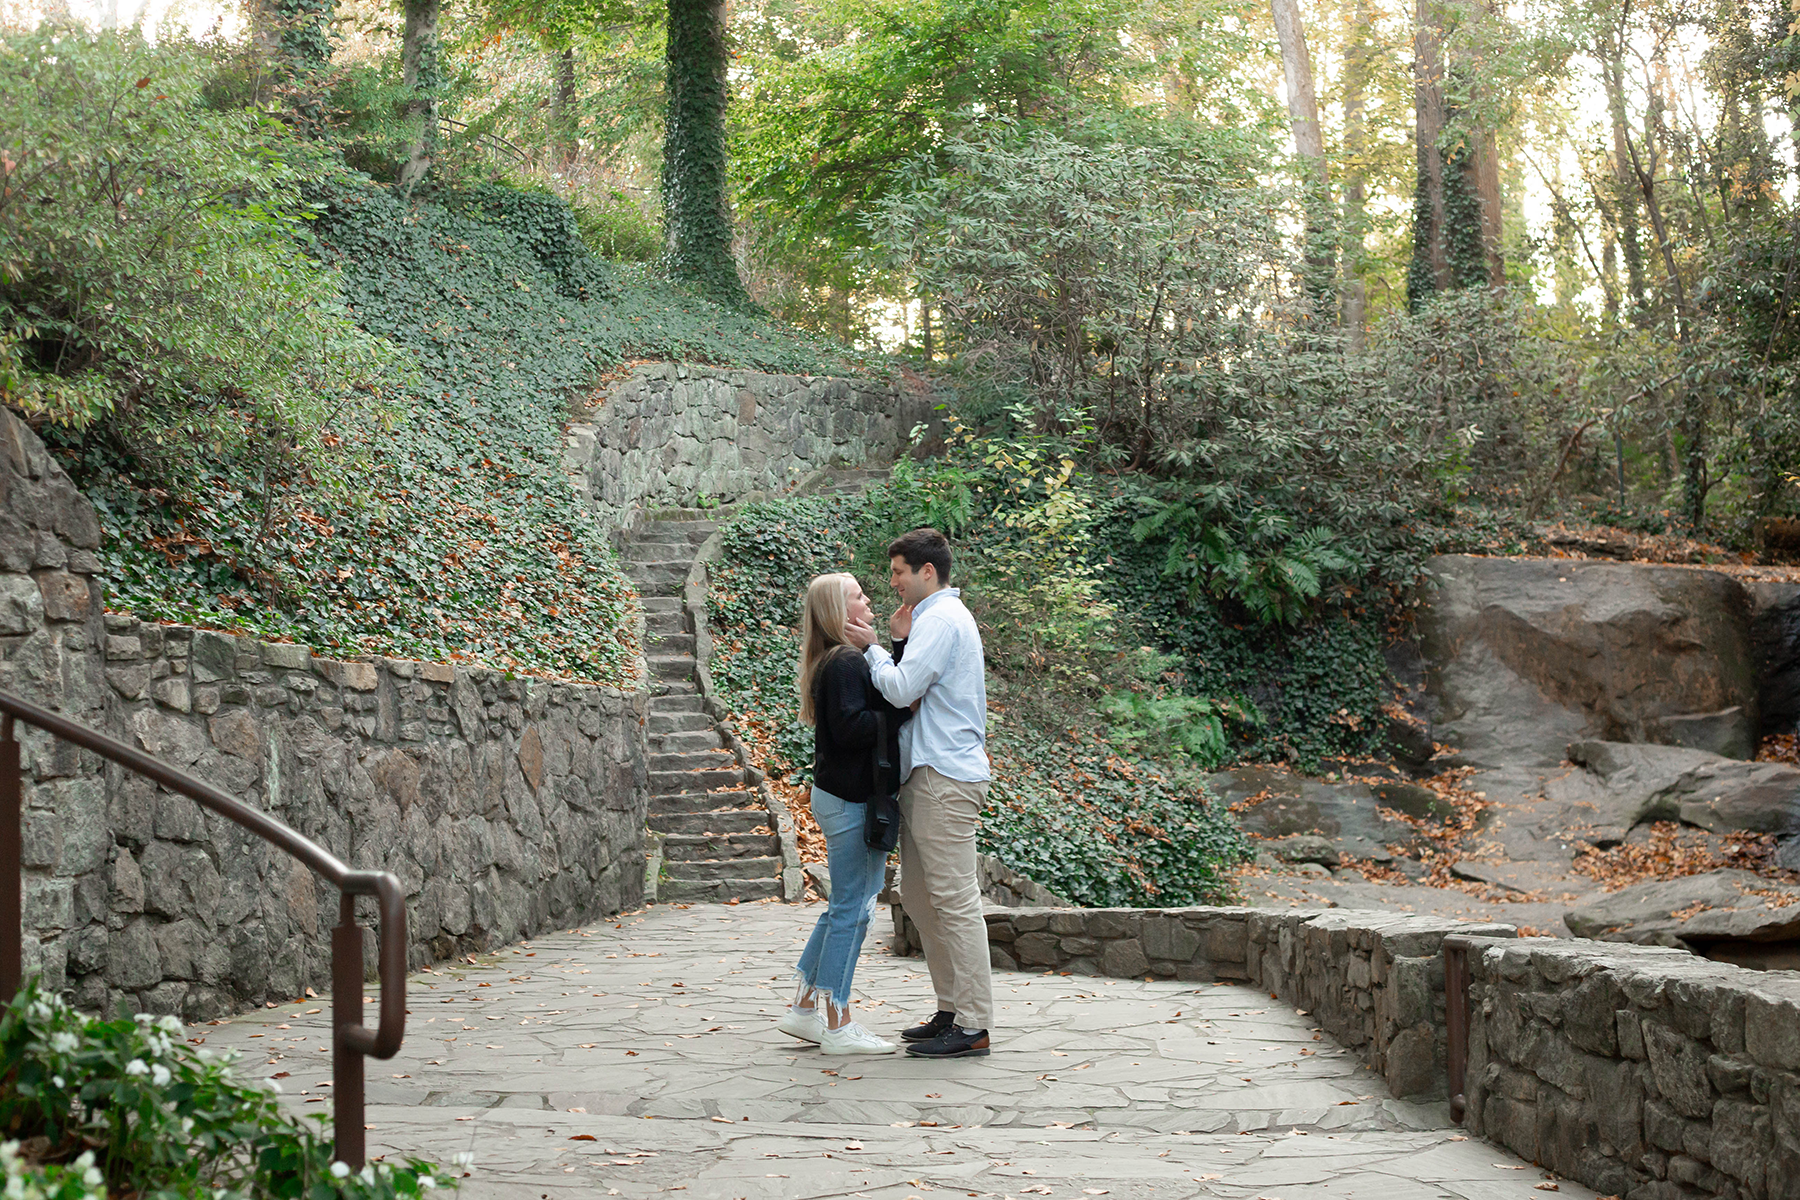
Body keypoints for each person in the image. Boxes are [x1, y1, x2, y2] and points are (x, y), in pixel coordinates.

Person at [845, 527, 993, 1059]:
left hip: (944, 777)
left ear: (927, 572)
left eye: (898, 572)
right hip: (928, 775)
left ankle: (973, 1025)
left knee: (954, 901)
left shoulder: (944, 618)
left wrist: (874, 650)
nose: (893, 583)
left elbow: (904, 689)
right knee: (919, 899)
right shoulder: (936, 621)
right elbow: (917, 691)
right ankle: (952, 1009)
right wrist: (899, 643)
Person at [777, 572, 913, 1055]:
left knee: (844, 906)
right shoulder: (844, 661)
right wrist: (905, 708)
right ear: (840, 610)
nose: (868, 598)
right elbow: (854, 726)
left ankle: (804, 1009)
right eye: (858, 595)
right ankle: (838, 1022)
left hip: (841, 797)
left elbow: (872, 698)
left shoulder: (842, 659)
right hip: (851, 800)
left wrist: (891, 646)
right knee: (854, 910)